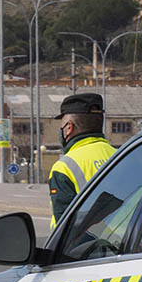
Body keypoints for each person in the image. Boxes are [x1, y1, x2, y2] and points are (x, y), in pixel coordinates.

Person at [48, 92, 116, 229]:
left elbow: (65, 228)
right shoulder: (122, 156)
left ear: (69, 128)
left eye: (62, 126)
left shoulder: (64, 167)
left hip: (89, 248)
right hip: (130, 244)